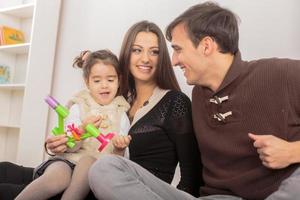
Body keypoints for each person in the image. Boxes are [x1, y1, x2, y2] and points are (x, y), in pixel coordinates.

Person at [86, 2, 300, 200]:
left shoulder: (281, 74)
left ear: (206, 46)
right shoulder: (198, 95)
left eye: (178, 49)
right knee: (105, 169)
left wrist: (293, 151)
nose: (174, 60)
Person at [87, 20, 203, 199]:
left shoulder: (175, 102)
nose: (145, 59)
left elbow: (192, 173)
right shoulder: (117, 103)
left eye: (154, 52)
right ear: (127, 53)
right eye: (137, 50)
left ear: (162, 57)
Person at [15, 49, 131, 200]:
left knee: (87, 162)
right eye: (97, 81)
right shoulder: (78, 106)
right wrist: (82, 129)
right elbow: (70, 145)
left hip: (94, 167)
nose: (104, 85)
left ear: (119, 80)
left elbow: (122, 160)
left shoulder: (121, 114)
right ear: (87, 82)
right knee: (57, 178)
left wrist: (119, 147)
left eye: (110, 80)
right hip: (68, 160)